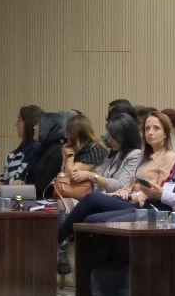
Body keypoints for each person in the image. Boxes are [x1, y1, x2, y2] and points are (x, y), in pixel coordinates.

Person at [59, 109, 175, 236]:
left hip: (171, 216)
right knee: (91, 220)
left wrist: (161, 195)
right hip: (153, 207)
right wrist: (153, 193)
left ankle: (58, 243)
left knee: (101, 221)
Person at [55, 113, 145, 264]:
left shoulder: (134, 155)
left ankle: (57, 239)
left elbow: (119, 184)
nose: (109, 140)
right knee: (67, 204)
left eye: (113, 137)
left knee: (90, 199)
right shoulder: (113, 154)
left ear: (124, 136)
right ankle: (71, 256)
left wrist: (92, 176)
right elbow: (100, 180)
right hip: (104, 196)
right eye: (109, 136)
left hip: (123, 199)